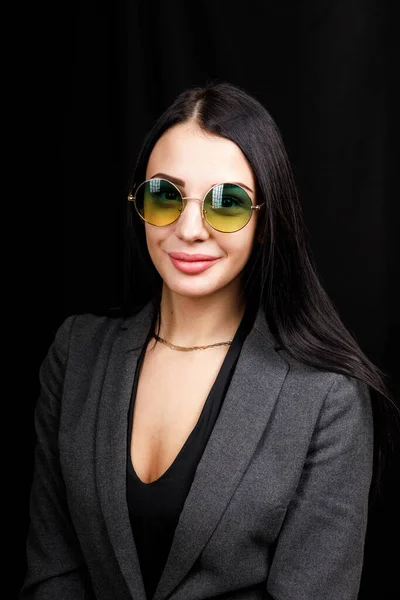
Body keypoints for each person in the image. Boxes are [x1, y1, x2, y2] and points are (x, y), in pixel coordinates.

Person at [20, 80, 397, 600]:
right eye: (164, 196)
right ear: (139, 204)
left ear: (266, 222)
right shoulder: (76, 353)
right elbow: (52, 573)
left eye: (227, 204)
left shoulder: (326, 398)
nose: (190, 228)